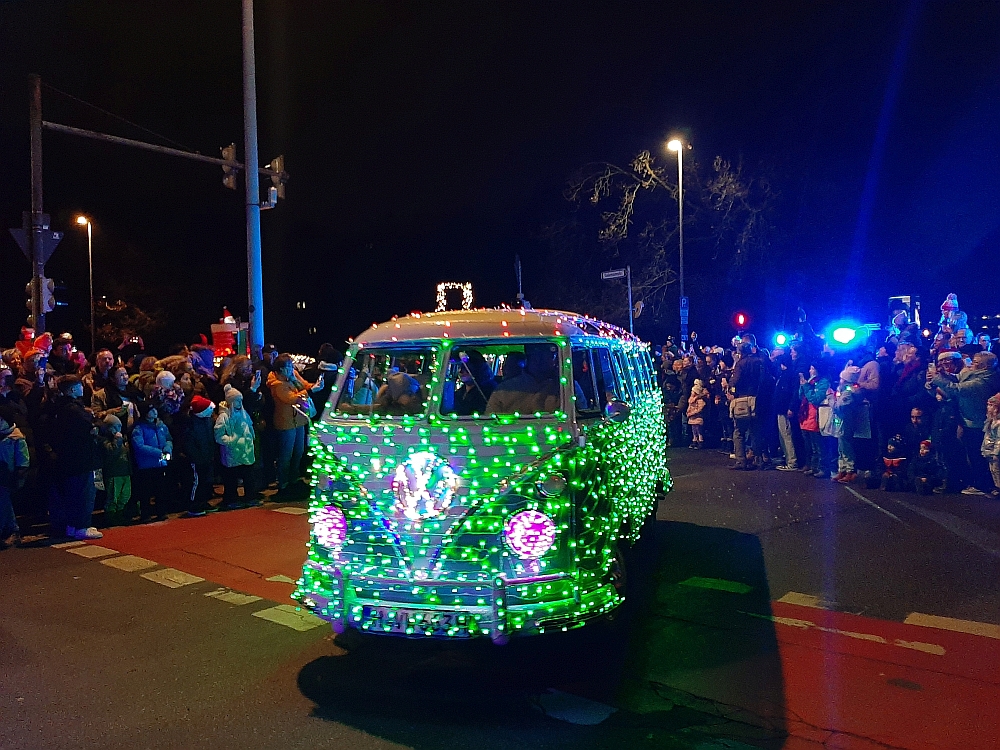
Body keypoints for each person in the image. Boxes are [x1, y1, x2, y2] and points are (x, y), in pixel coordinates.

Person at [931, 351, 1000, 495]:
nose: (971, 364)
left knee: (977, 455)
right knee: (973, 454)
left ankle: (982, 485)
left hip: (977, 422)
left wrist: (937, 378)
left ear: (985, 366)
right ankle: (978, 483)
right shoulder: (975, 374)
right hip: (970, 420)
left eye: (976, 362)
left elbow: (957, 389)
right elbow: (957, 378)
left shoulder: (982, 381)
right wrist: (943, 375)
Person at [50, 376, 102, 540]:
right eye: (80, 386)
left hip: (70, 458)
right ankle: (82, 526)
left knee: (73, 493)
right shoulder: (74, 410)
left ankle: (73, 525)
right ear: (73, 389)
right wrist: (96, 423)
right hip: (82, 458)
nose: (82, 388)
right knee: (84, 493)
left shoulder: (60, 408)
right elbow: (90, 427)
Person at [267, 354, 323, 498]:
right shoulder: (276, 384)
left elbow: (304, 384)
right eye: (289, 366)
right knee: (286, 454)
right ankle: (283, 484)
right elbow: (291, 398)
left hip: (299, 420)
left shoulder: (292, 375)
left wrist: (314, 385)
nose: (292, 369)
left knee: (298, 452)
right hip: (286, 422)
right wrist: (310, 391)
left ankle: (294, 480)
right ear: (281, 369)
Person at [214, 385, 258, 508]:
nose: (240, 403)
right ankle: (231, 499)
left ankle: (250, 496)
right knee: (231, 478)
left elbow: (249, 425)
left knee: (249, 476)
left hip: (246, 450)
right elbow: (219, 435)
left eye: (240, 400)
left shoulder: (244, 413)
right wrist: (231, 441)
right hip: (232, 451)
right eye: (237, 400)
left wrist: (251, 437)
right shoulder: (224, 417)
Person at [487, 343, 561, 415]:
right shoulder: (504, 390)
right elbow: (489, 419)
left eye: (553, 356)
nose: (552, 361)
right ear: (530, 358)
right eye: (538, 356)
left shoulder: (562, 388)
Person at [131, 403, 173, 522]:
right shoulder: (139, 428)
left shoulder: (161, 425)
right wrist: (159, 452)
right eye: (151, 410)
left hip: (161, 462)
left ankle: (161, 511)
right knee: (146, 491)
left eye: (155, 409)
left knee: (161, 489)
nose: (155, 412)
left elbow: (168, 438)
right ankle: (145, 514)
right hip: (146, 465)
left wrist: (168, 448)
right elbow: (139, 446)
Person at [0, 405, 30, 548]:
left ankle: (12, 530)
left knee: (3, 501)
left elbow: (23, 461)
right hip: (3, 474)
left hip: (9, 476)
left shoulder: (16, 437)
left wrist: (17, 476)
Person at [183, 396, 217, 516]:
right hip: (197, 459)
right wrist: (197, 457)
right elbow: (189, 444)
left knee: (206, 481)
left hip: (207, 456)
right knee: (197, 482)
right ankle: (194, 504)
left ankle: (203, 501)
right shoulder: (191, 424)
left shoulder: (207, 421)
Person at [97, 415, 132, 526]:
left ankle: (120, 514)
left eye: (119, 426)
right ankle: (111, 517)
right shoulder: (104, 440)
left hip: (125, 471)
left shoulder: (122, 439)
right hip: (114, 473)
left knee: (125, 495)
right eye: (115, 427)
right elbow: (111, 452)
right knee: (113, 496)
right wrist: (117, 440)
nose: (118, 429)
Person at [453, 351, 497, 416]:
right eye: (460, 367)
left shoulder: (489, 391)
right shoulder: (459, 392)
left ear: (478, 369)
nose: (461, 371)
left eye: (466, 368)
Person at [982, 394, 1000, 498]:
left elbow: (999, 439)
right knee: (993, 470)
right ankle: (996, 488)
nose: (988, 407)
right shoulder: (990, 420)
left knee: (997, 470)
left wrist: (996, 453)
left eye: (990, 405)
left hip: (995, 451)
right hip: (989, 449)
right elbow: (987, 436)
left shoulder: (998, 423)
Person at [686, 378, 708, 449]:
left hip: (697, 416)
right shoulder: (691, 400)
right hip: (692, 416)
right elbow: (689, 407)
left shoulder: (700, 400)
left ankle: (700, 440)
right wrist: (688, 412)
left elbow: (700, 409)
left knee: (698, 429)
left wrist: (693, 413)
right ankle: (694, 439)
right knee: (694, 428)